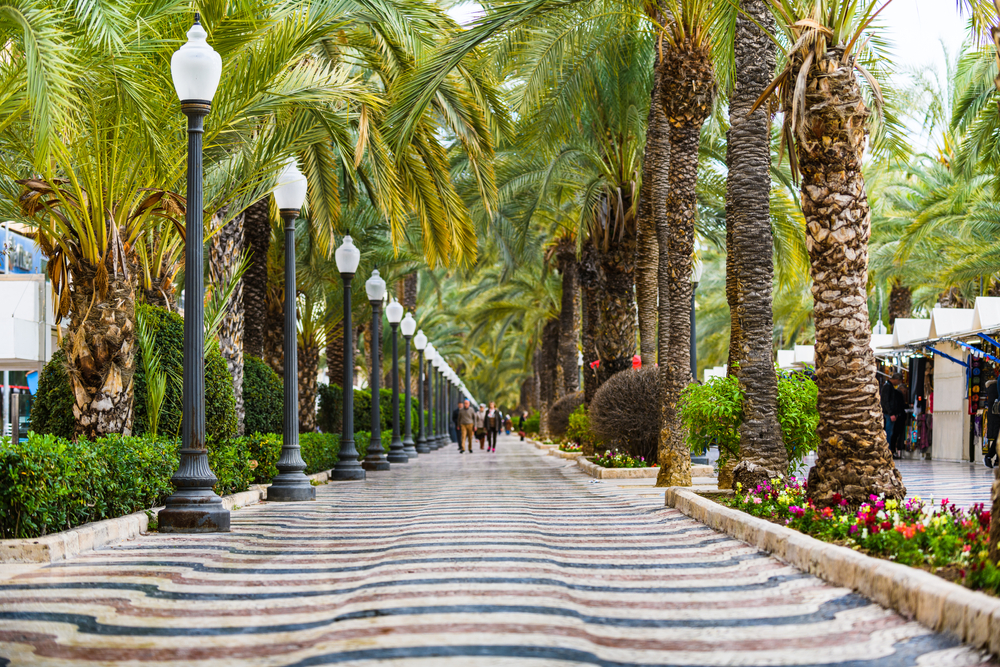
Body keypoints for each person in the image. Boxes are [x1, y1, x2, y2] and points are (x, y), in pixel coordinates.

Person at [879, 372, 906, 459]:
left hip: (890, 413)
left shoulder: (889, 387)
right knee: (888, 433)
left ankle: (889, 451)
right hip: (889, 414)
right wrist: (891, 413)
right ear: (896, 380)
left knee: (890, 432)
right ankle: (888, 451)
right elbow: (886, 401)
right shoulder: (888, 387)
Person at [984, 378, 999, 468]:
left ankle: (995, 459)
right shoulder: (994, 388)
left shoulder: (992, 387)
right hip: (996, 417)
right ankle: (989, 456)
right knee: (998, 438)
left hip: (994, 416)